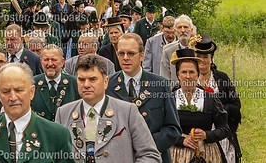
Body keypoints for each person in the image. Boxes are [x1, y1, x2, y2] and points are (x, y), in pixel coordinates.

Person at [55, 54, 162, 162]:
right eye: (81, 80)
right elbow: (55, 156)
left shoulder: (128, 112)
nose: (86, 85)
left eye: (92, 79)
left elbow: (150, 155)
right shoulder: (63, 113)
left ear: (105, 82)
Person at [0, 63, 75, 163]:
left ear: (32, 92)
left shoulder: (56, 134)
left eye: (19, 90)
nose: (13, 97)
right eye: (6, 91)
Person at [107, 33, 181, 162]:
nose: (125, 58)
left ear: (141, 55)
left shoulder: (160, 85)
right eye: (121, 53)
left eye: (130, 53)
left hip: (154, 156)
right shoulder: (108, 85)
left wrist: (145, 147)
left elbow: (173, 129)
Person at [169, 48, 230, 163]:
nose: (188, 76)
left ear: (197, 74)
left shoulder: (210, 99)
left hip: (206, 154)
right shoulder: (170, 99)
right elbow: (162, 129)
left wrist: (206, 135)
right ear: (178, 75)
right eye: (184, 72)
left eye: (191, 72)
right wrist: (181, 140)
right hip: (176, 154)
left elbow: (224, 129)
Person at [194, 36, 242, 163]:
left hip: (222, 134)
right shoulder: (189, 79)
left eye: (206, 57)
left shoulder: (222, 78)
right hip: (198, 136)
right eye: (199, 56)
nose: (202, 60)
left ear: (211, 59)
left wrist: (218, 110)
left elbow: (236, 105)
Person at [31, 45, 79, 121]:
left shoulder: (74, 83)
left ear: (62, 62)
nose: (50, 64)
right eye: (46, 60)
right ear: (41, 62)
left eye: (54, 60)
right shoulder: (32, 83)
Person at [160, 15, 195, 84]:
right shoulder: (168, 51)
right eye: (179, 27)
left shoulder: (199, 49)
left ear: (191, 30)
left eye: (185, 27)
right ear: (175, 31)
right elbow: (164, 79)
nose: (182, 30)